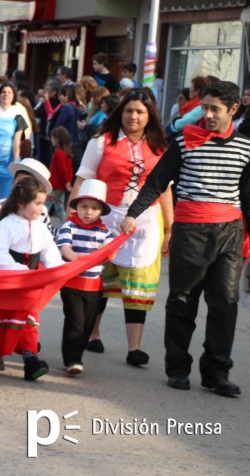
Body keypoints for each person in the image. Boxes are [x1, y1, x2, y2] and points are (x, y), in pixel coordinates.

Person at [119, 81, 250, 397]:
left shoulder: (247, 147)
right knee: (182, 302)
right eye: (206, 108)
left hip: (229, 232)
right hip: (190, 231)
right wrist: (133, 213)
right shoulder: (184, 142)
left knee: (225, 305)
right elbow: (157, 182)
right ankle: (177, 368)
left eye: (216, 109)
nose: (209, 114)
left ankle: (216, 372)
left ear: (233, 110)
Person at [71, 89, 173, 366]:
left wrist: (169, 229)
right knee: (99, 279)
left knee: (138, 283)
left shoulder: (160, 147)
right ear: (120, 113)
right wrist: (72, 214)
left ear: (150, 115)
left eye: (140, 111)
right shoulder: (102, 142)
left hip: (147, 220)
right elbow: (82, 179)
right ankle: (93, 334)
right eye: (129, 111)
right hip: (106, 217)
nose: (133, 116)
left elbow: (164, 190)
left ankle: (134, 347)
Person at [0, 173, 61, 380]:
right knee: (1, 319)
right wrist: (24, 273)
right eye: (38, 203)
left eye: (42, 203)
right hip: (9, 282)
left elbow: (50, 252)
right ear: (22, 203)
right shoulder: (4, 226)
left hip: (31, 285)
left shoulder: (42, 228)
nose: (42, 208)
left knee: (29, 319)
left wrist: (56, 270)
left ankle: (30, 360)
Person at [56, 179, 114, 375]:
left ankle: (76, 356)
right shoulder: (69, 226)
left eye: (94, 208)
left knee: (87, 325)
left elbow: (110, 253)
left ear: (101, 212)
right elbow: (65, 249)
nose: (88, 212)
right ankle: (72, 359)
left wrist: (105, 251)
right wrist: (79, 259)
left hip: (94, 286)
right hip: (72, 283)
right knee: (75, 321)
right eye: (84, 207)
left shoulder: (105, 232)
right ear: (77, 207)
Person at [48, 126, 73, 222]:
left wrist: (66, 182)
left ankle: (42, 225)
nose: (51, 140)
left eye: (52, 138)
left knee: (45, 207)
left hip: (54, 186)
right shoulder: (66, 153)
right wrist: (68, 182)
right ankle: (65, 225)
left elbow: (62, 170)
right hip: (61, 187)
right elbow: (69, 169)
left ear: (57, 139)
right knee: (60, 208)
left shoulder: (59, 153)